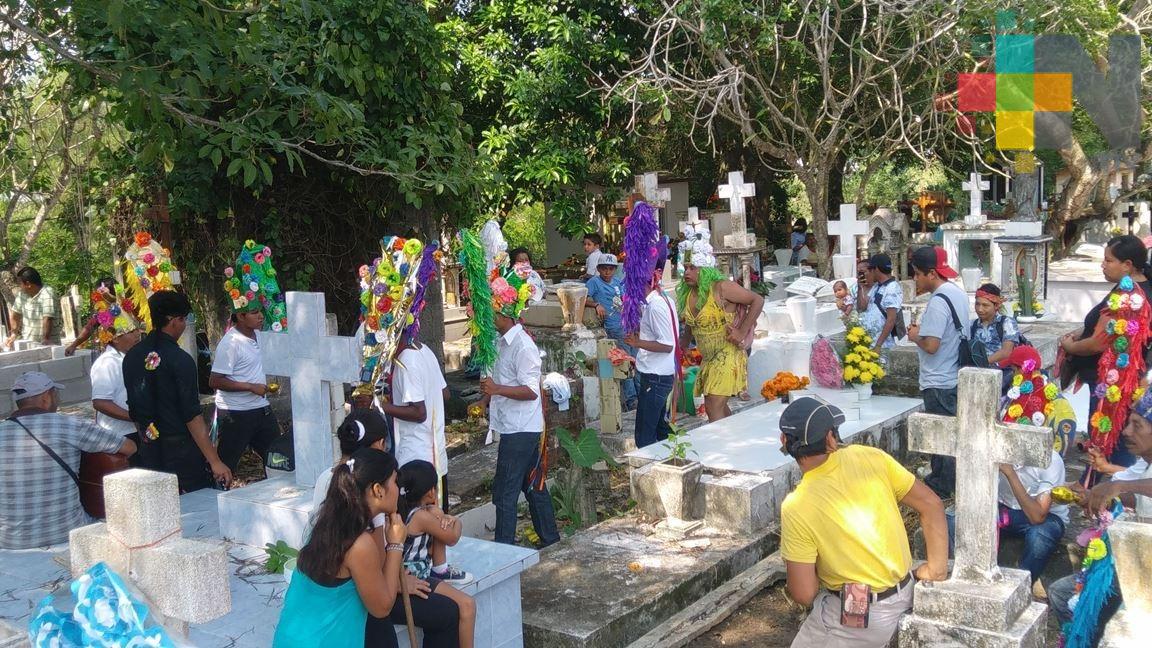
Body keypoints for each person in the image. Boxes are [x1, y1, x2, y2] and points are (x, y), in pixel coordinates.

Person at [779, 397, 948, 648]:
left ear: (784, 442)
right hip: (904, 591)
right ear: (830, 440)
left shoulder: (797, 505)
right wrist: (936, 570)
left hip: (856, 617)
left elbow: (803, 593)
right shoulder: (870, 456)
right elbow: (932, 504)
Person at [275, 448, 461, 648]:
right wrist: (396, 545)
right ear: (378, 490)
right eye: (395, 482)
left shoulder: (328, 523)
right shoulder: (359, 543)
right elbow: (382, 607)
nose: (399, 490)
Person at [1046, 390, 1152, 631]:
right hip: (1139, 564)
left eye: (1137, 425)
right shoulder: (1146, 467)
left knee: (1066, 597)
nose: (1127, 432)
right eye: (1128, 424)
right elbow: (1142, 500)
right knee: (1064, 594)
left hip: (1143, 574)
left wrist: (1119, 486)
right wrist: (1104, 496)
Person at [0, 371, 136, 549]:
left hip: (9, 541)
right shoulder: (69, 425)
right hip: (66, 532)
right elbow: (129, 447)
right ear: (46, 397)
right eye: (55, 394)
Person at [1060, 234, 1152, 473]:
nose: (1103, 265)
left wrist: (1070, 347)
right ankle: (1101, 484)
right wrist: (1080, 331)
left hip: (1112, 382)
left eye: (1109, 260)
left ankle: (1107, 491)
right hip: (1126, 379)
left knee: (1109, 435)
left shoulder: (1127, 296)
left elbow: (1099, 342)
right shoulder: (1139, 287)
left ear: (1128, 265)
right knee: (1117, 436)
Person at [124, 291, 232, 492]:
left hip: (147, 446)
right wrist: (214, 461)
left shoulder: (131, 356)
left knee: (159, 507)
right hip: (180, 450)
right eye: (184, 319)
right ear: (174, 320)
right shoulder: (180, 360)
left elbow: (134, 407)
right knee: (196, 506)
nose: (184, 325)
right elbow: (192, 415)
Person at [479, 305, 561, 547]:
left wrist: (496, 390)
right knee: (532, 485)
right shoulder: (499, 341)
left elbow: (531, 391)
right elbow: (497, 379)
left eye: (492, 313)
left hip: (521, 427)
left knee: (505, 492)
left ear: (506, 315)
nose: (488, 319)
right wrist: (485, 399)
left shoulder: (523, 345)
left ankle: (504, 550)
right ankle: (551, 539)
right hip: (512, 424)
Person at [676, 239, 763, 422]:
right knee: (718, 406)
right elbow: (692, 323)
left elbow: (757, 300)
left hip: (728, 352)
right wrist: (683, 344)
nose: (687, 272)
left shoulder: (722, 287)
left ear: (705, 269)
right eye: (686, 267)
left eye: (693, 268)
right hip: (708, 357)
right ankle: (733, 442)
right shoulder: (691, 292)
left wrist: (741, 331)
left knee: (712, 404)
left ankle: (721, 447)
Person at [907, 246, 968, 499]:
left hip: (939, 379)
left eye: (917, 274)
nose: (915, 280)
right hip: (954, 373)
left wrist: (914, 336)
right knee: (951, 434)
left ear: (931, 273)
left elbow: (931, 345)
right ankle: (947, 480)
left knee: (940, 437)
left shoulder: (937, 301)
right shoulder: (958, 293)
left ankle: (941, 487)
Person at [398, 460, 477, 647]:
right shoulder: (421, 517)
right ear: (432, 491)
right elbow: (452, 538)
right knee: (467, 606)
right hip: (414, 578)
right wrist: (454, 521)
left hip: (421, 573)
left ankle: (440, 570)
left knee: (466, 605)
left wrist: (440, 515)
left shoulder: (413, 511)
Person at [209, 301, 283, 476]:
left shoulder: (260, 335)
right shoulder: (231, 343)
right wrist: (250, 387)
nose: (260, 316)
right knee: (227, 463)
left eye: (260, 312)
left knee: (279, 458)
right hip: (236, 413)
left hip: (262, 410)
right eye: (254, 312)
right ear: (241, 316)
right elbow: (215, 381)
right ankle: (217, 496)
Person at [379, 334, 451, 509]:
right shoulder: (424, 350)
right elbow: (445, 394)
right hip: (436, 456)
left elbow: (419, 413)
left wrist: (381, 406)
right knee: (438, 522)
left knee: (417, 524)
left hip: (415, 459)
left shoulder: (406, 361)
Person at [624, 247, 679, 448]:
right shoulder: (659, 301)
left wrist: (637, 343)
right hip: (656, 373)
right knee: (659, 429)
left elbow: (666, 344)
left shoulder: (656, 305)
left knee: (645, 436)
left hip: (656, 376)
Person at [584, 254, 638, 410]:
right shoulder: (594, 282)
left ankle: (639, 394)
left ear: (615, 269)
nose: (607, 272)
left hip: (628, 325)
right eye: (604, 269)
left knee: (636, 360)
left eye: (610, 269)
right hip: (614, 327)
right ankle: (631, 399)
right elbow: (583, 298)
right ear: (599, 269)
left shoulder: (617, 281)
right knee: (626, 361)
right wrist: (596, 304)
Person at [89, 298, 144, 443]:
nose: (137, 334)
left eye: (137, 329)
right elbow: (100, 402)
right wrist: (135, 417)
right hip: (119, 434)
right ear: (115, 339)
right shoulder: (107, 363)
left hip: (136, 430)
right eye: (130, 331)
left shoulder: (132, 358)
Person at [855, 254, 903, 350]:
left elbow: (891, 319)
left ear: (876, 269)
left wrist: (878, 345)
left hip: (882, 346)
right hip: (869, 342)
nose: (867, 274)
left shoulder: (892, 288)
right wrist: (861, 288)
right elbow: (862, 308)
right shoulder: (877, 286)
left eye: (870, 270)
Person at [6, 266, 61, 349]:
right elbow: (15, 314)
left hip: (50, 345)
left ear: (28, 284)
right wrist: (13, 334)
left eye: (20, 284)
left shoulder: (48, 293)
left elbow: (48, 318)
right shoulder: (22, 294)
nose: (20, 286)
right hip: (29, 344)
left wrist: (46, 339)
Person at [971, 283, 1021, 368]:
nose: (980, 309)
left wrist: (982, 363)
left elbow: (1006, 352)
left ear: (997, 306)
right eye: (977, 304)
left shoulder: (1007, 323)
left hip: (1003, 374)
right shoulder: (972, 325)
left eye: (985, 305)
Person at [65, 277, 118, 356]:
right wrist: (73, 345)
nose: (97, 299)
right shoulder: (102, 312)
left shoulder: (126, 307)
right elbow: (89, 328)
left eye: (100, 294)